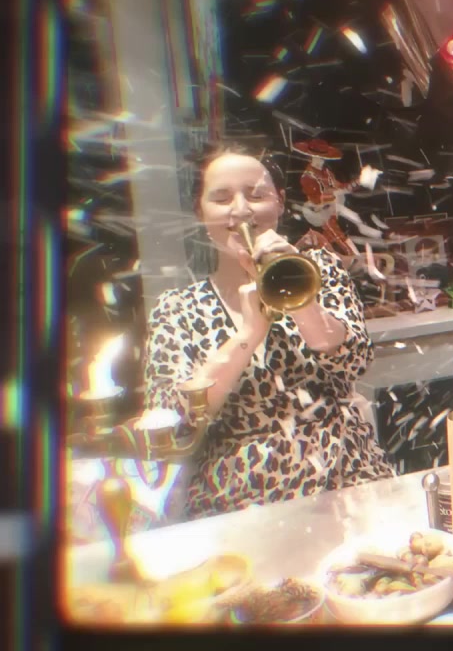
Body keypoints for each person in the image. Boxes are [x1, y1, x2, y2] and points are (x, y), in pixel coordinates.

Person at [144, 148, 394, 520]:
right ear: (200, 212)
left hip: (346, 472)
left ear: (279, 203)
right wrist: (248, 333)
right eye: (221, 198)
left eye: (256, 195)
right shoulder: (176, 307)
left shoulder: (321, 268)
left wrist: (295, 288)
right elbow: (173, 417)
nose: (241, 210)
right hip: (239, 492)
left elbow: (354, 361)